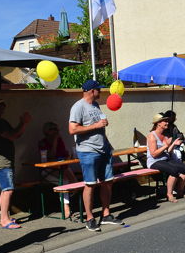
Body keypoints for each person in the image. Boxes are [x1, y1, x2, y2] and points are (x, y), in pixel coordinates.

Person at [69, 79, 123, 232]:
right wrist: (96, 125)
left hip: (103, 150)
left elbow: (98, 125)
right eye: (98, 89)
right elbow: (72, 129)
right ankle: (90, 218)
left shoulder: (96, 105)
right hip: (88, 151)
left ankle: (106, 214)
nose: (101, 91)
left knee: (108, 182)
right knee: (90, 184)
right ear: (92, 91)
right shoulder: (78, 107)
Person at [0, 100, 32, 229]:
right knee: (8, 190)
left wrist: (22, 123)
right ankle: (4, 220)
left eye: (2, 107)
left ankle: (5, 217)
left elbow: (16, 134)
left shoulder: (2, 122)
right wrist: (24, 123)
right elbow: (12, 136)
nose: (2, 110)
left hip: (6, 160)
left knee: (6, 190)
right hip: (0, 161)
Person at [147, 114, 185, 202]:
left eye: (167, 121)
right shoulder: (152, 135)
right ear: (158, 123)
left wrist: (174, 144)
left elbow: (168, 151)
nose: (167, 123)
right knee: (173, 170)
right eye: (165, 121)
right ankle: (169, 194)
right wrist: (165, 145)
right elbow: (154, 154)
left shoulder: (165, 135)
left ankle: (180, 192)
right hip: (154, 161)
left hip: (165, 159)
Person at [37, 121, 75, 219]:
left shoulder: (60, 140)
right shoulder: (42, 142)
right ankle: (66, 207)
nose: (55, 132)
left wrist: (68, 156)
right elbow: (50, 156)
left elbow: (64, 154)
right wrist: (54, 142)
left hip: (61, 168)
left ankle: (71, 202)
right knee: (65, 183)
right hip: (47, 171)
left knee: (75, 183)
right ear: (46, 131)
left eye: (56, 129)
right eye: (52, 129)